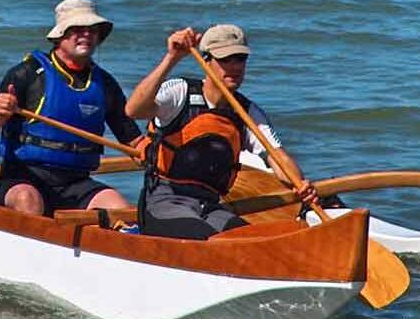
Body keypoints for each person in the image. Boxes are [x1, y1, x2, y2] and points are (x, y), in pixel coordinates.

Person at [125, 24, 318, 240]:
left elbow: (277, 157)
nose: (234, 66)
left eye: (240, 59)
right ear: (206, 61)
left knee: (251, 241)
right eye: (225, 59)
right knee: (212, 241)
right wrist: (172, 58)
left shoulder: (247, 112)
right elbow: (134, 110)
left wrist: (299, 183)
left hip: (210, 205)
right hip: (165, 200)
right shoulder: (180, 92)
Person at [0, 0, 142, 216]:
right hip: (23, 178)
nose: (87, 35)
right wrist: (0, 116)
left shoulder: (104, 84)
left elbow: (133, 140)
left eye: (92, 30)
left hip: (76, 182)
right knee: (28, 201)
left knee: (120, 209)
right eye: (78, 29)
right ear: (60, 35)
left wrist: (156, 151)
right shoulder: (27, 74)